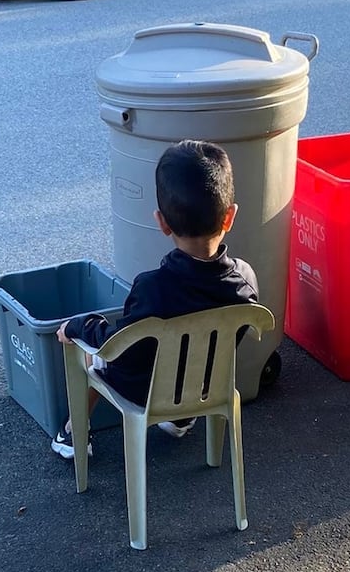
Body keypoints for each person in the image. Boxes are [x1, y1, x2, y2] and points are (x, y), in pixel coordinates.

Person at [52, 139, 260, 459]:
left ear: (162, 222)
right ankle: (181, 417)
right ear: (229, 217)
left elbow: (117, 345)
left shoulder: (152, 288)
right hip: (207, 387)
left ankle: (71, 433)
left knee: (86, 355)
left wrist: (78, 326)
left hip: (145, 393)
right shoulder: (245, 281)